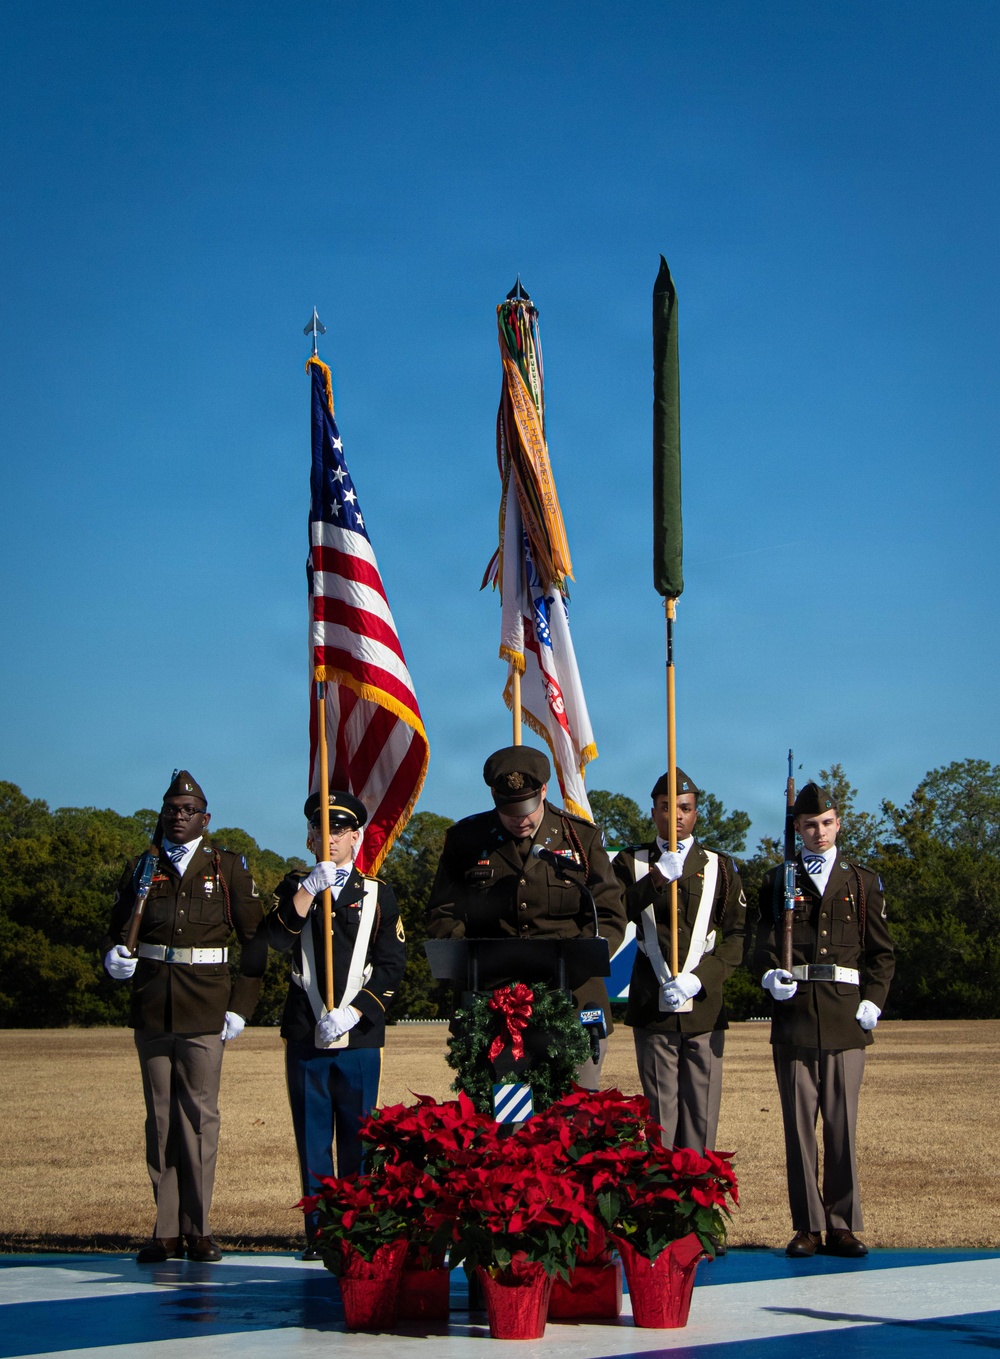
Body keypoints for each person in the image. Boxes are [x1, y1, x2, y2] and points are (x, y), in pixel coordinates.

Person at [102, 770, 267, 1264]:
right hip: (153, 1004)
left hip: (205, 1007)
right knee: (160, 1120)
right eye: (172, 809)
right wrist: (112, 958)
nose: (178, 817)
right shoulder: (142, 866)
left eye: (188, 811)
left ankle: (199, 1229)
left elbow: (254, 943)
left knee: (199, 1119)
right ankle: (165, 1230)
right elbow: (115, 928)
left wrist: (242, 1005)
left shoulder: (228, 867)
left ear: (205, 819)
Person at [426, 745, 627, 1088]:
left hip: (571, 998)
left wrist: (576, 959)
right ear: (493, 795)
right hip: (492, 1002)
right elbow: (444, 914)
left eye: (528, 808)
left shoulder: (580, 838)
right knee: (506, 1126)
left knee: (572, 1121)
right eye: (509, 810)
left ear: (544, 791)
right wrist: (469, 963)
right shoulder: (467, 840)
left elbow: (607, 913)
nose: (521, 819)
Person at [753, 782, 894, 1259]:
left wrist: (873, 1000)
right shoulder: (778, 881)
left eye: (827, 823)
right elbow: (762, 942)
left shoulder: (861, 882)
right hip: (795, 1015)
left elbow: (881, 952)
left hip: (843, 1014)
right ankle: (808, 1226)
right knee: (798, 1128)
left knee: (841, 1126)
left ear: (839, 824)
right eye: (809, 825)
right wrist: (771, 975)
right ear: (797, 827)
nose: (819, 832)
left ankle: (843, 1224)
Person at [263, 789, 406, 1259]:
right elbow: (275, 941)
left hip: (359, 1035)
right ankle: (319, 1234)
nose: (328, 839)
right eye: (319, 831)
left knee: (358, 1135)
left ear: (356, 838)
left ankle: (356, 1229)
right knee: (313, 1136)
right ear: (308, 839)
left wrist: (357, 1009)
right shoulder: (294, 887)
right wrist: (307, 891)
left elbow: (391, 965)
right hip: (306, 1031)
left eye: (339, 831)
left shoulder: (379, 894)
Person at [613, 769, 747, 1152]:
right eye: (666, 807)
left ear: (696, 813)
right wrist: (656, 879)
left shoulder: (720, 866)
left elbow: (737, 936)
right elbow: (613, 913)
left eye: (685, 808)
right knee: (660, 1118)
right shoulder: (631, 862)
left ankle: (698, 1195)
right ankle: (663, 1200)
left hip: (703, 1006)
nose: (676, 816)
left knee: (702, 1116)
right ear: (653, 811)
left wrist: (701, 978)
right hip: (652, 1005)